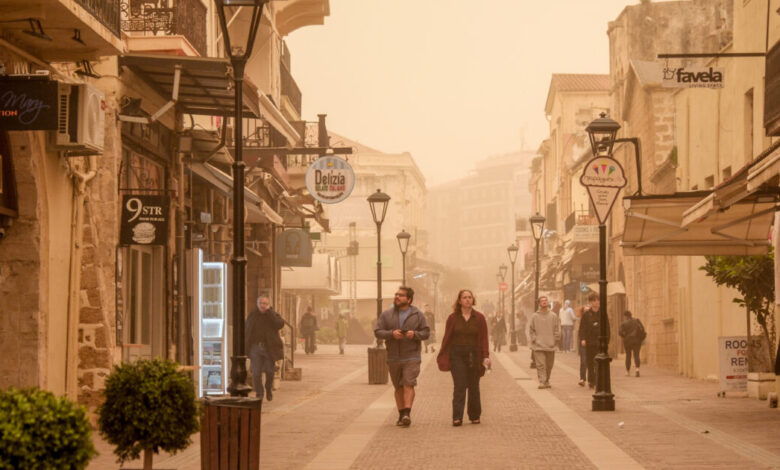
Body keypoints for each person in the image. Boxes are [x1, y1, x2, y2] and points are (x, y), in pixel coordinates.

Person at [374, 287, 429, 427]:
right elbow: (378, 331)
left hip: (412, 356)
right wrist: (391, 334)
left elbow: (426, 333)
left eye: (401, 295)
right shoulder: (386, 314)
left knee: (408, 383)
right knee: (398, 387)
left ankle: (407, 414)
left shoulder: (418, 315)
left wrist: (414, 335)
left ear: (409, 299)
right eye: (396, 294)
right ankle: (401, 414)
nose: (397, 297)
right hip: (393, 356)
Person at [437, 290, 490, 426]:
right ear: (459, 301)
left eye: (470, 297)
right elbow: (447, 338)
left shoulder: (479, 318)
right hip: (457, 354)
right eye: (464, 297)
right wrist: (444, 355)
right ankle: (457, 416)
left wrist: (486, 356)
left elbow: (484, 338)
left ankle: (474, 415)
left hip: (474, 354)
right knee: (460, 385)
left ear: (473, 300)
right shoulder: (453, 318)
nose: (467, 300)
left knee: (474, 386)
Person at [245, 295, 284, 401]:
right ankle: (259, 393)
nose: (263, 305)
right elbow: (247, 330)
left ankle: (268, 388)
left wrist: (269, 312)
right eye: (260, 303)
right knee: (256, 373)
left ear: (269, 305)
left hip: (269, 349)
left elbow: (279, 324)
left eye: (265, 303)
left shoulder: (273, 315)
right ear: (257, 304)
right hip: (255, 348)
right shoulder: (253, 315)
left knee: (269, 371)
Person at [529, 296, 561, 389]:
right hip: (538, 346)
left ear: (548, 303)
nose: (544, 302)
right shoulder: (534, 316)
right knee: (540, 365)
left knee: (549, 365)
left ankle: (547, 380)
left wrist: (556, 340)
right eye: (542, 301)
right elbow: (531, 330)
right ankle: (542, 381)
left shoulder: (553, 316)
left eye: (545, 300)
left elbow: (557, 329)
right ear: (539, 304)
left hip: (550, 345)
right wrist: (535, 339)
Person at [579, 292, 609, 389]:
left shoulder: (603, 314)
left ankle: (597, 380)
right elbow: (582, 328)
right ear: (591, 302)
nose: (596, 302)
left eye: (597, 300)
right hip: (589, 342)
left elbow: (607, 327)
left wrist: (607, 340)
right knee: (590, 362)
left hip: (600, 342)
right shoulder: (586, 315)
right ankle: (591, 381)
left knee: (598, 363)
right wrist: (583, 339)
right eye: (594, 300)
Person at [619, 310, 646, 377]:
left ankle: (628, 371)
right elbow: (642, 329)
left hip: (627, 341)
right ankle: (637, 369)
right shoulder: (637, 321)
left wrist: (624, 336)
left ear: (625, 316)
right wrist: (640, 338)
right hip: (637, 340)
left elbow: (620, 332)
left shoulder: (624, 323)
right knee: (636, 355)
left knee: (628, 356)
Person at [575, 306, 589, 387]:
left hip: (592, 343)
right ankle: (582, 378)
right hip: (583, 343)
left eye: (588, 310)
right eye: (585, 311)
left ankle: (591, 379)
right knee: (583, 361)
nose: (587, 312)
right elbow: (579, 332)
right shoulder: (580, 321)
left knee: (591, 362)